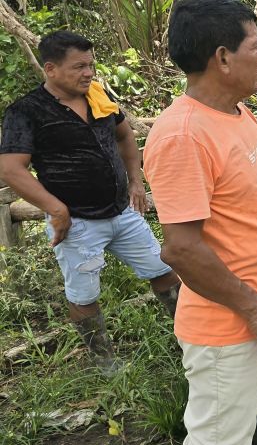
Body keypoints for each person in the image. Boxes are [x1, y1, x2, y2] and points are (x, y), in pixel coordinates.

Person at [144, 0, 257, 445]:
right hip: (229, 329)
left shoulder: (238, 114)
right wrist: (256, 308)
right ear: (222, 58)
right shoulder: (183, 136)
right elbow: (180, 249)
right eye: (256, 46)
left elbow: (256, 203)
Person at [0, 31, 180, 374]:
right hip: (77, 223)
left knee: (162, 269)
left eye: (91, 65)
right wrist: (57, 208)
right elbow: (10, 169)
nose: (88, 73)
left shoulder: (98, 95)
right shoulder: (26, 111)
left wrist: (135, 180)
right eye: (79, 67)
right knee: (84, 294)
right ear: (50, 69)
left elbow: (125, 135)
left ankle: (190, 334)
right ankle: (104, 361)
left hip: (121, 212)